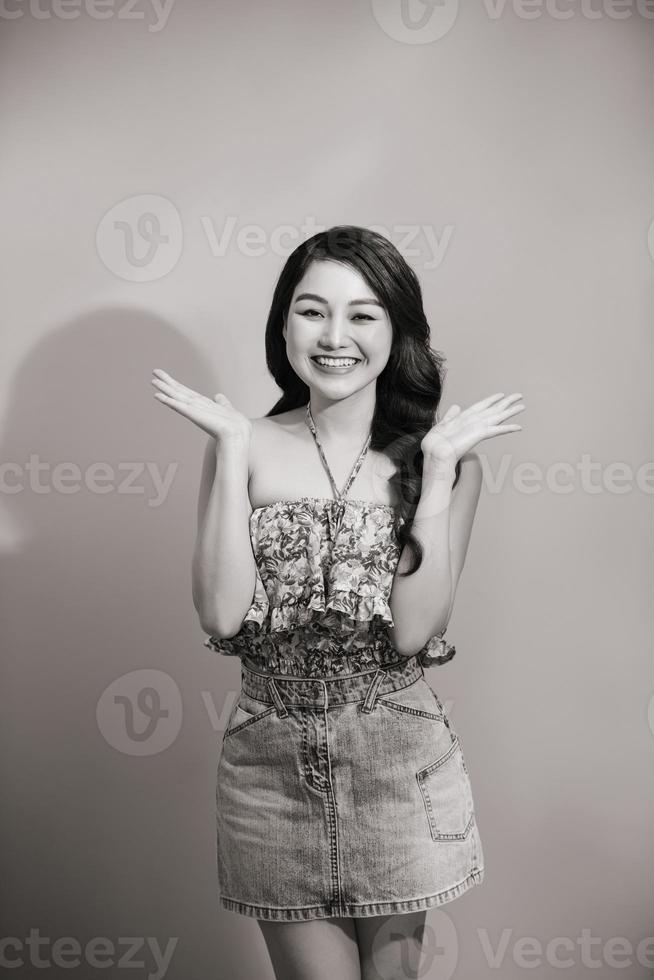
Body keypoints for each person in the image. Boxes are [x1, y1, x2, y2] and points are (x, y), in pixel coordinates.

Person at [151, 225, 525, 980]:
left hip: (396, 753)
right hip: (270, 761)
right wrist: (230, 452)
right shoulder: (242, 444)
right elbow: (222, 616)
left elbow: (417, 629)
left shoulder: (443, 463)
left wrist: (442, 469)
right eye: (312, 311)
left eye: (362, 315)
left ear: (398, 330)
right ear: (283, 324)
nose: (334, 336)